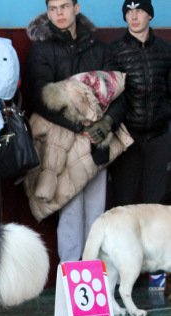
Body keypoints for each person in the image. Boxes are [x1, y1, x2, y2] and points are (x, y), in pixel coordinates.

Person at [24, 0, 125, 263]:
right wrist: (80, 126)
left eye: (64, 6)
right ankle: (72, 280)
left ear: (76, 8)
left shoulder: (99, 47)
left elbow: (120, 92)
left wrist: (107, 124)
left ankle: (95, 279)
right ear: (48, 12)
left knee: (96, 212)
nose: (59, 13)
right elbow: (39, 98)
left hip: (96, 143)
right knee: (68, 212)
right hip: (60, 143)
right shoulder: (41, 50)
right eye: (53, 8)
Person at [107, 0, 171, 291]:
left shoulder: (165, 50)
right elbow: (110, 96)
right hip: (127, 137)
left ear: (149, 14)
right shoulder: (115, 51)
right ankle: (123, 270)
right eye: (128, 12)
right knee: (125, 203)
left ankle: (156, 270)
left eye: (139, 10)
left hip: (159, 137)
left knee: (156, 204)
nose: (133, 16)